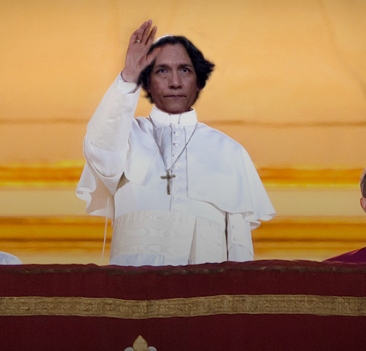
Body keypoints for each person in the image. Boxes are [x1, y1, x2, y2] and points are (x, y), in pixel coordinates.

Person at [77, 20, 275, 266]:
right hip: (132, 285)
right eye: (162, 71)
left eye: (185, 70)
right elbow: (99, 148)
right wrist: (128, 77)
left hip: (205, 286)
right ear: (146, 83)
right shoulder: (125, 138)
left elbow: (239, 248)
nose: (175, 83)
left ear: (198, 81)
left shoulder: (230, 152)